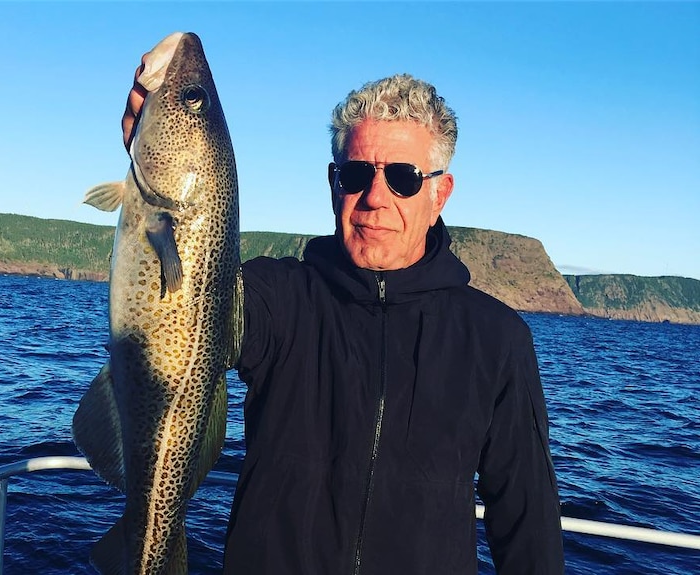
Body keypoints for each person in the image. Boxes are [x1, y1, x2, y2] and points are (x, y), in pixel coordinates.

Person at [121, 61, 565, 574]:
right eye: (356, 174)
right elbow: (185, 299)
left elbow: (526, 517)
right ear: (334, 184)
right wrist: (163, 160)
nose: (374, 198)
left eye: (403, 178)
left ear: (440, 194)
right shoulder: (276, 297)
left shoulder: (497, 339)